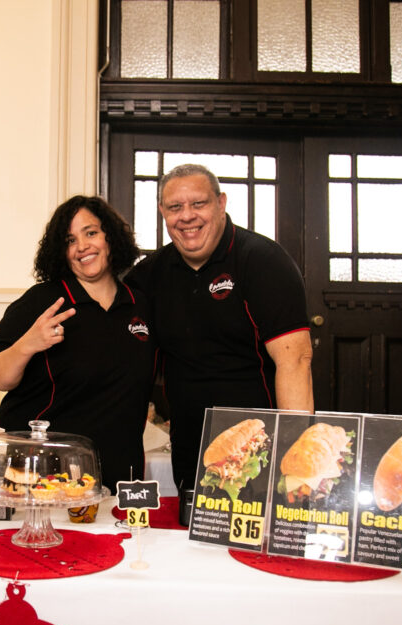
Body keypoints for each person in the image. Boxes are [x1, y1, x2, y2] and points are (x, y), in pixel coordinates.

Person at [125, 163, 313, 494]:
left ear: (221, 203)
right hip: (190, 443)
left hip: (258, 443)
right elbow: (129, 355)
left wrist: (296, 457)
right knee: (192, 525)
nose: (187, 216)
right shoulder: (148, 275)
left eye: (198, 203)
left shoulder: (264, 261)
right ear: (163, 212)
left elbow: (295, 361)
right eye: (175, 207)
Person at [0, 195, 157, 492]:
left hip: (119, 471)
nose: (82, 246)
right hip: (44, 476)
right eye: (70, 240)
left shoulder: (140, 304)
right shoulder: (42, 301)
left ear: (110, 238)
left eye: (91, 233)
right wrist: (28, 344)